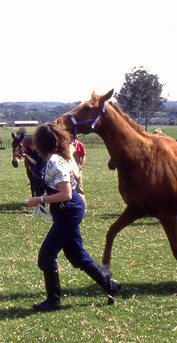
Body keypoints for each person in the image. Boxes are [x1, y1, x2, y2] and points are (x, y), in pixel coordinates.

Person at [24, 122, 120, 311]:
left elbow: (66, 194)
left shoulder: (54, 161)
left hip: (68, 208)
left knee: (46, 256)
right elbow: (76, 175)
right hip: (68, 209)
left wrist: (40, 199)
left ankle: (53, 300)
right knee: (75, 254)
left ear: (41, 143)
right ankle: (110, 284)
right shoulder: (62, 156)